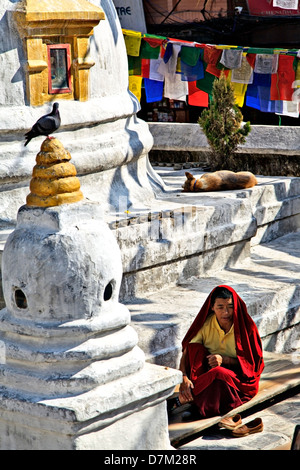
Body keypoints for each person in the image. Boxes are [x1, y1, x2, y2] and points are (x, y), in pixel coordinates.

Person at [169, 285, 264, 418]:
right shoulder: (206, 324)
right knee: (194, 348)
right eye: (220, 307)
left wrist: (224, 360)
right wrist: (183, 377)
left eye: (230, 307)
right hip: (207, 375)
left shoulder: (247, 328)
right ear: (212, 307)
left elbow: (252, 367)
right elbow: (186, 351)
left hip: (238, 378)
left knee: (218, 372)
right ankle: (195, 396)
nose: (226, 312)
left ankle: (184, 400)